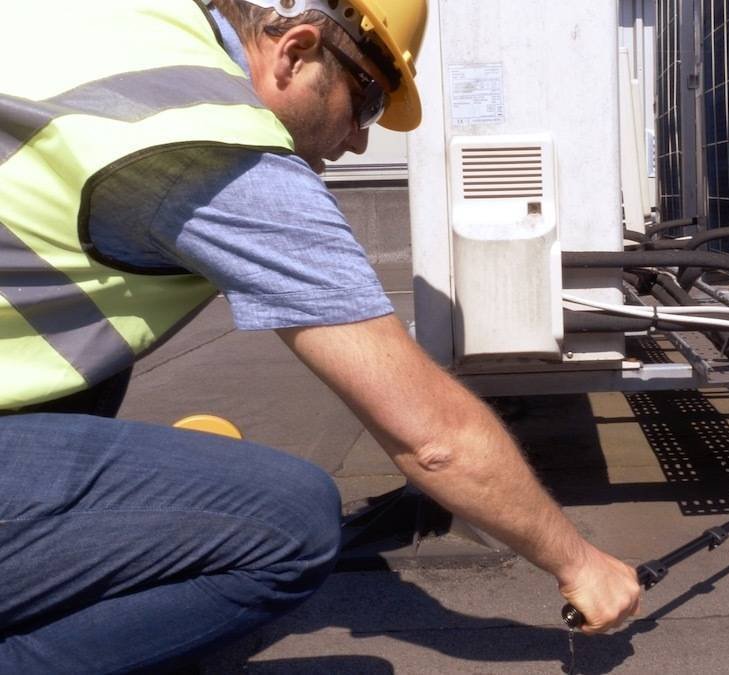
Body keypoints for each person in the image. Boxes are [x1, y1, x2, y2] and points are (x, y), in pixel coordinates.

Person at [0, 0, 642, 670]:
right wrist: (580, 562)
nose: (361, 140)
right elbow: (436, 442)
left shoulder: (123, 25)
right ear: (297, 51)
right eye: (364, 99)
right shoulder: (217, 149)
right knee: (292, 522)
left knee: (104, 366)